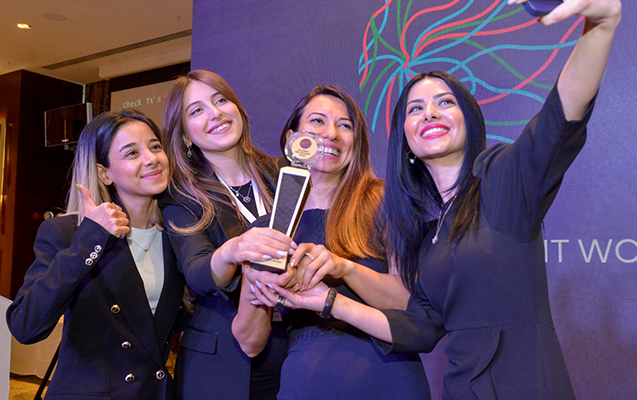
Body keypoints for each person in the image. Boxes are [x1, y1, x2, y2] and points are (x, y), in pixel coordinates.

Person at [273, 1, 622, 399]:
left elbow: (558, 122)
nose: (429, 114)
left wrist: (601, 25)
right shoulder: (430, 236)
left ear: (467, 119)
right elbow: (419, 328)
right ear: (405, 138)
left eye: (444, 102)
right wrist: (327, 300)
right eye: (415, 108)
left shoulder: (501, 182)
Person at [233, 85, 431, 400]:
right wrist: (252, 285)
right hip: (306, 381)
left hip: (387, 375)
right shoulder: (266, 229)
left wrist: (345, 268)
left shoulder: (386, 202)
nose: (331, 134)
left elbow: (407, 301)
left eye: (345, 125)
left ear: (357, 141)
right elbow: (250, 343)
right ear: (292, 138)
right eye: (317, 121)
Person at [6, 109, 186, 400]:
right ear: (104, 173)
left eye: (155, 147)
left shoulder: (178, 233)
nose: (152, 158)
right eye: (132, 153)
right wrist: (90, 238)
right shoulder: (69, 232)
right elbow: (25, 326)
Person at [159, 69, 296, 400]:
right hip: (221, 361)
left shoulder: (286, 174)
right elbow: (197, 271)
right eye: (197, 110)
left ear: (238, 109)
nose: (215, 113)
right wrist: (232, 251)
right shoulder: (180, 196)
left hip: (295, 347)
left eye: (221, 101)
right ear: (185, 135)